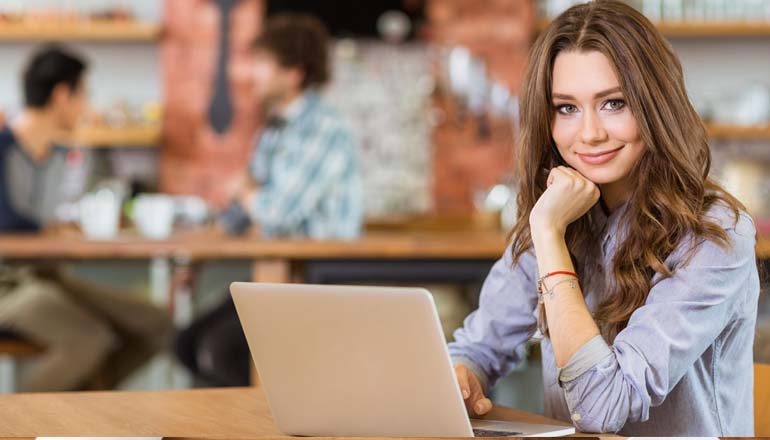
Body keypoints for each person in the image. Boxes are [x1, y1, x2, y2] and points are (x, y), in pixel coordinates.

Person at [448, 1, 759, 436]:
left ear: (654, 105)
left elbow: (602, 407)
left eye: (614, 103)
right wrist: (461, 375)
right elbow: (480, 347)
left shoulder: (714, 234)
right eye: (567, 108)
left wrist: (549, 236)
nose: (590, 133)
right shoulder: (560, 215)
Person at [174, 13, 363, 386]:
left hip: (320, 283)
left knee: (220, 350)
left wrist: (245, 191)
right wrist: (196, 258)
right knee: (186, 343)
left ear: (293, 73)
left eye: (261, 64)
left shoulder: (323, 128)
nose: (250, 74)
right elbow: (239, 216)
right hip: (278, 280)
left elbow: (276, 214)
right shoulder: (274, 130)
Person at [0, 45, 172, 392]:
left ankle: (78, 415)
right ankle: (19, 426)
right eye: (85, 95)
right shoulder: (3, 147)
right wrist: (47, 229)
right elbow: (7, 220)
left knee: (157, 323)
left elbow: (61, 216)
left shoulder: (62, 156)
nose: (88, 107)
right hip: (5, 282)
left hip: (45, 273)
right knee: (87, 339)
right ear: (63, 96)